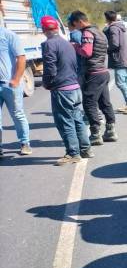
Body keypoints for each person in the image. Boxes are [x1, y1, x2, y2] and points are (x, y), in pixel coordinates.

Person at [40, 16, 93, 166]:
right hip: (74, 87)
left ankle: (72, 153)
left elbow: (50, 68)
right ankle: (85, 149)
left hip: (62, 89)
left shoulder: (48, 44)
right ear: (57, 27)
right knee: (77, 119)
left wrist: (47, 83)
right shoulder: (67, 43)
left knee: (65, 122)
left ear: (43, 29)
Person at [67, 10, 117, 145]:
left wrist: (75, 46)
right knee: (104, 102)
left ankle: (95, 134)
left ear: (79, 21)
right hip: (103, 71)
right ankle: (111, 130)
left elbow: (86, 52)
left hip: (93, 73)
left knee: (89, 103)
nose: (75, 27)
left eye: (74, 24)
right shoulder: (100, 31)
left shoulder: (87, 33)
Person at [0, 24, 31, 157]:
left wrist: (16, 79)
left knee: (17, 114)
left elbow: (21, 57)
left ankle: (25, 143)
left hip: (9, 84)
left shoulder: (8, 35)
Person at [104, 10, 127, 114]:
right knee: (126, 82)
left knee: (120, 82)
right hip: (124, 58)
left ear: (107, 18)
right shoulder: (119, 26)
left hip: (119, 59)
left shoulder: (113, 28)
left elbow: (115, 44)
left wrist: (106, 49)